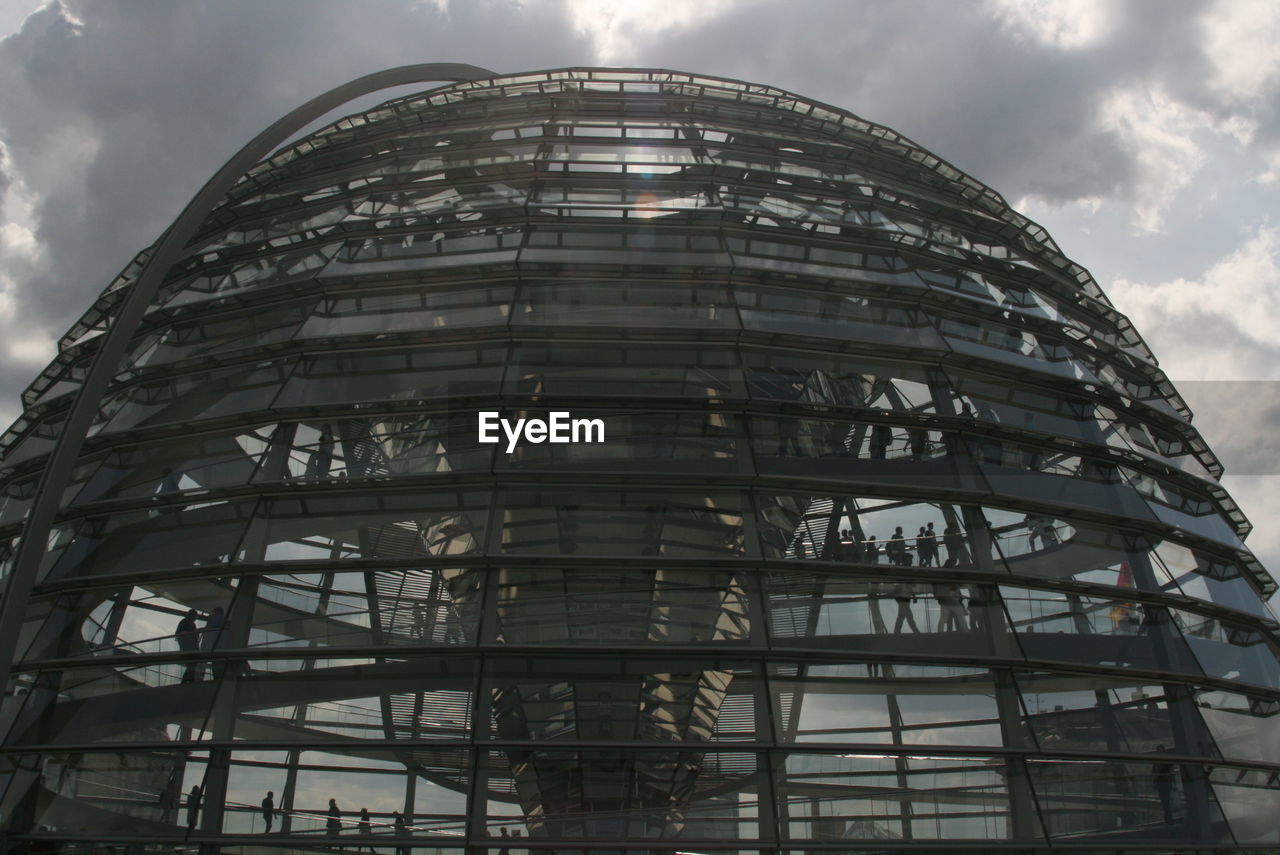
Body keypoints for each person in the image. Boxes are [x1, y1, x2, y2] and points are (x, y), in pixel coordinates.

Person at [175, 609, 201, 682]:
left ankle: (188, 683)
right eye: (196, 616)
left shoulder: (189, 623)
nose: (196, 618)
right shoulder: (185, 622)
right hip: (189, 648)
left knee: (191, 667)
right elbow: (179, 634)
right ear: (192, 616)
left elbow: (179, 635)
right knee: (191, 666)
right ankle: (188, 683)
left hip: (191, 648)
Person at [1153, 745, 1176, 823]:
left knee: (1166, 800)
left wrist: (1174, 783)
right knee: (1164, 800)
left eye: (1160, 750)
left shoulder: (1167, 760)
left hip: (1166, 782)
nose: (1159, 752)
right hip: (1161, 783)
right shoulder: (1157, 761)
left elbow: (1171, 772)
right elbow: (1154, 772)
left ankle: (1168, 817)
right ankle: (1168, 816)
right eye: (1158, 750)